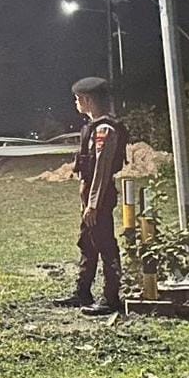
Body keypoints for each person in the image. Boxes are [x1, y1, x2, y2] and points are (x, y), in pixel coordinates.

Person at [55, 78, 127, 316]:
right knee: (87, 242)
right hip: (90, 197)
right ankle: (82, 292)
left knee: (105, 244)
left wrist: (93, 204)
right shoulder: (93, 126)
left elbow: (101, 171)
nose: (76, 103)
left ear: (87, 100)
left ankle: (110, 298)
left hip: (100, 197)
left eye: (77, 99)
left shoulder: (104, 130)